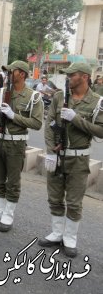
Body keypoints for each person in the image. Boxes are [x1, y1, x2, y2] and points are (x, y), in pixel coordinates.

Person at [38, 63, 103, 258]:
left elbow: (101, 131)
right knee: (55, 197)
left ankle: (70, 238)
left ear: (84, 77)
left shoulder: (97, 102)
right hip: (57, 157)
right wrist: (50, 151)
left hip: (78, 159)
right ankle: (57, 233)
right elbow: (49, 125)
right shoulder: (59, 97)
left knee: (74, 202)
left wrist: (76, 119)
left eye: (71, 75)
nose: (68, 78)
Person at [0, 61, 43, 231]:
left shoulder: (33, 97)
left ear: (22, 74)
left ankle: (8, 214)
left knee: (13, 181)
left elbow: (37, 123)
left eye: (12, 71)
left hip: (16, 143)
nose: (8, 74)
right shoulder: (2, 93)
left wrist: (13, 116)